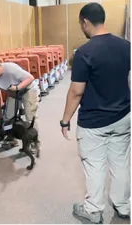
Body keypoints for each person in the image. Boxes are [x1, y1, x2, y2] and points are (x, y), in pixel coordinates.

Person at [60, 3, 130, 224]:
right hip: (123, 116)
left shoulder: (84, 52)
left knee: (95, 165)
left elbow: (76, 91)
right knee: (120, 162)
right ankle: (123, 206)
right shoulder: (126, 46)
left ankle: (93, 210)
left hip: (94, 122)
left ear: (85, 22)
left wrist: (65, 120)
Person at [0, 58, 40, 151]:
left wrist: (18, 87)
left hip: (28, 90)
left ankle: (35, 142)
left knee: (30, 116)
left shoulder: (10, 69)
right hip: (13, 92)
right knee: (8, 116)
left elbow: (30, 78)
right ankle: (11, 138)